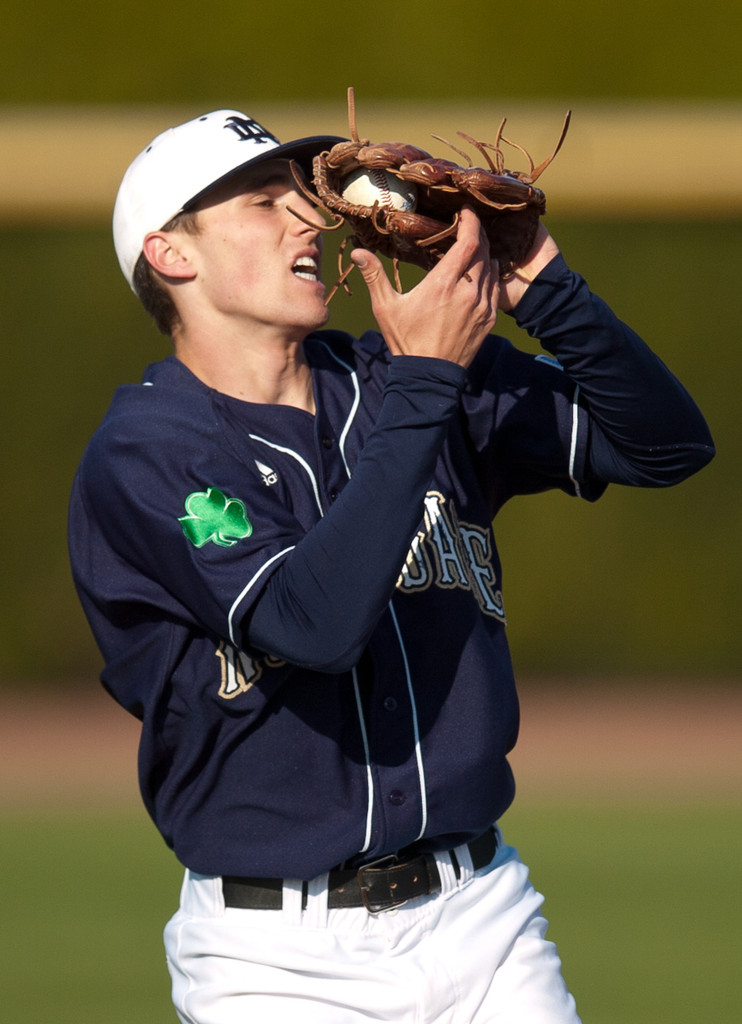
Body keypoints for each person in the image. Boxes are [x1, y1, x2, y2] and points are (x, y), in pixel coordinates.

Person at [68, 106, 714, 1024]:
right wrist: (425, 386)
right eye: (262, 204)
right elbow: (312, 626)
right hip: (274, 959)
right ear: (174, 255)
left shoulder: (403, 375)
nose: (308, 219)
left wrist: (543, 284)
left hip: (482, 920)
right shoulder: (149, 450)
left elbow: (666, 447)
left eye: (300, 197)